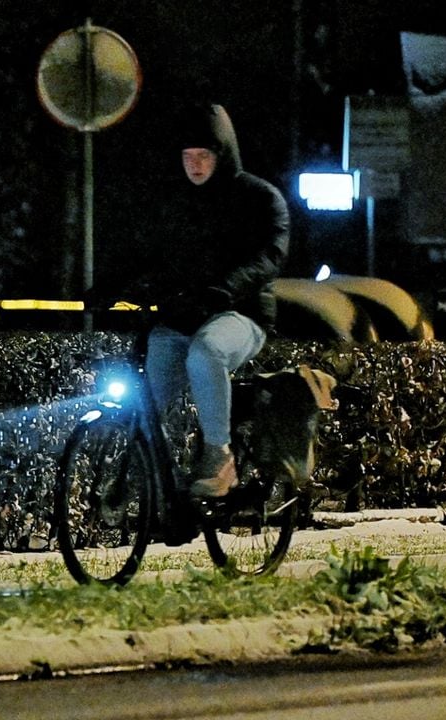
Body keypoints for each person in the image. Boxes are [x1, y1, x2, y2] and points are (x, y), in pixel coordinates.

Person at [139, 103, 291, 507]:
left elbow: (270, 254)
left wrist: (227, 288)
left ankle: (220, 456)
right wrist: (103, 288)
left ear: (222, 154)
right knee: (147, 389)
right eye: (187, 157)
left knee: (208, 351)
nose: (195, 165)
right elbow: (146, 254)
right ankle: (154, 472)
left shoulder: (258, 197)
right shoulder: (175, 203)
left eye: (204, 155)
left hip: (242, 314)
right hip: (187, 316)